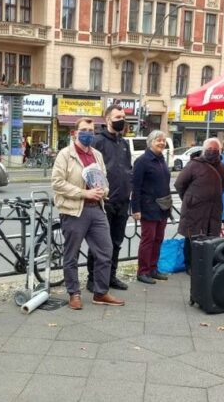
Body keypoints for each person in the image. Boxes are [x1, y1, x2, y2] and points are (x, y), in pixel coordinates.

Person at [52, 117, 125, 310]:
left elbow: (103, 179)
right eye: (84, 130)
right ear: (75, 132)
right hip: (74, 210)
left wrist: (104, 191)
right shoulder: (65, 155)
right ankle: (74, 293)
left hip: (96, 208)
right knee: (71, 255)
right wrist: (84, 193)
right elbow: (57, 183)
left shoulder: (96, 155)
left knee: (105, 251)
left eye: (91, 131)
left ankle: (100, 293)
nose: (88, 134)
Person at [87, 105, 131, 292]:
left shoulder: (124, 143)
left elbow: (128, 169)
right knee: (99, 244)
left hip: (122, 200)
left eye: (123, 116)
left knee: (116, 242)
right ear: (107, 120)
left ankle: (111, 276)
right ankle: (92, 279)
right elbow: (89, 171)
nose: (121, 119)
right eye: (117, 116)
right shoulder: (97, 141)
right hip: (104, 201)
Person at [174, 137, 224, 274]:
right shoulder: (193, 165)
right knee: (191, 237)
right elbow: (179, 184)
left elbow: (223, 185)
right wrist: (189, 198)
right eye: (210, 149)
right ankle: (190, 265)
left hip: (213, 208)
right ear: (204, 150)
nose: (213, 152)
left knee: (210, 237)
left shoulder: (222, 167)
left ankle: (206, 264)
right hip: (194, 208)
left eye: (216, 149)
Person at [131, 131, 172, 284]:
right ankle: (143, 271)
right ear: (150, 142)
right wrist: (135, 209)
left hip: (163, 206)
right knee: (148, 240)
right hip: (148, 206)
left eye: (163, 140)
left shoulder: (161, 159)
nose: (161, 143)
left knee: (158, 239)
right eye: (158, 140)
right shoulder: (142, 161)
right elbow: (135, 187)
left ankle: (153, 269)